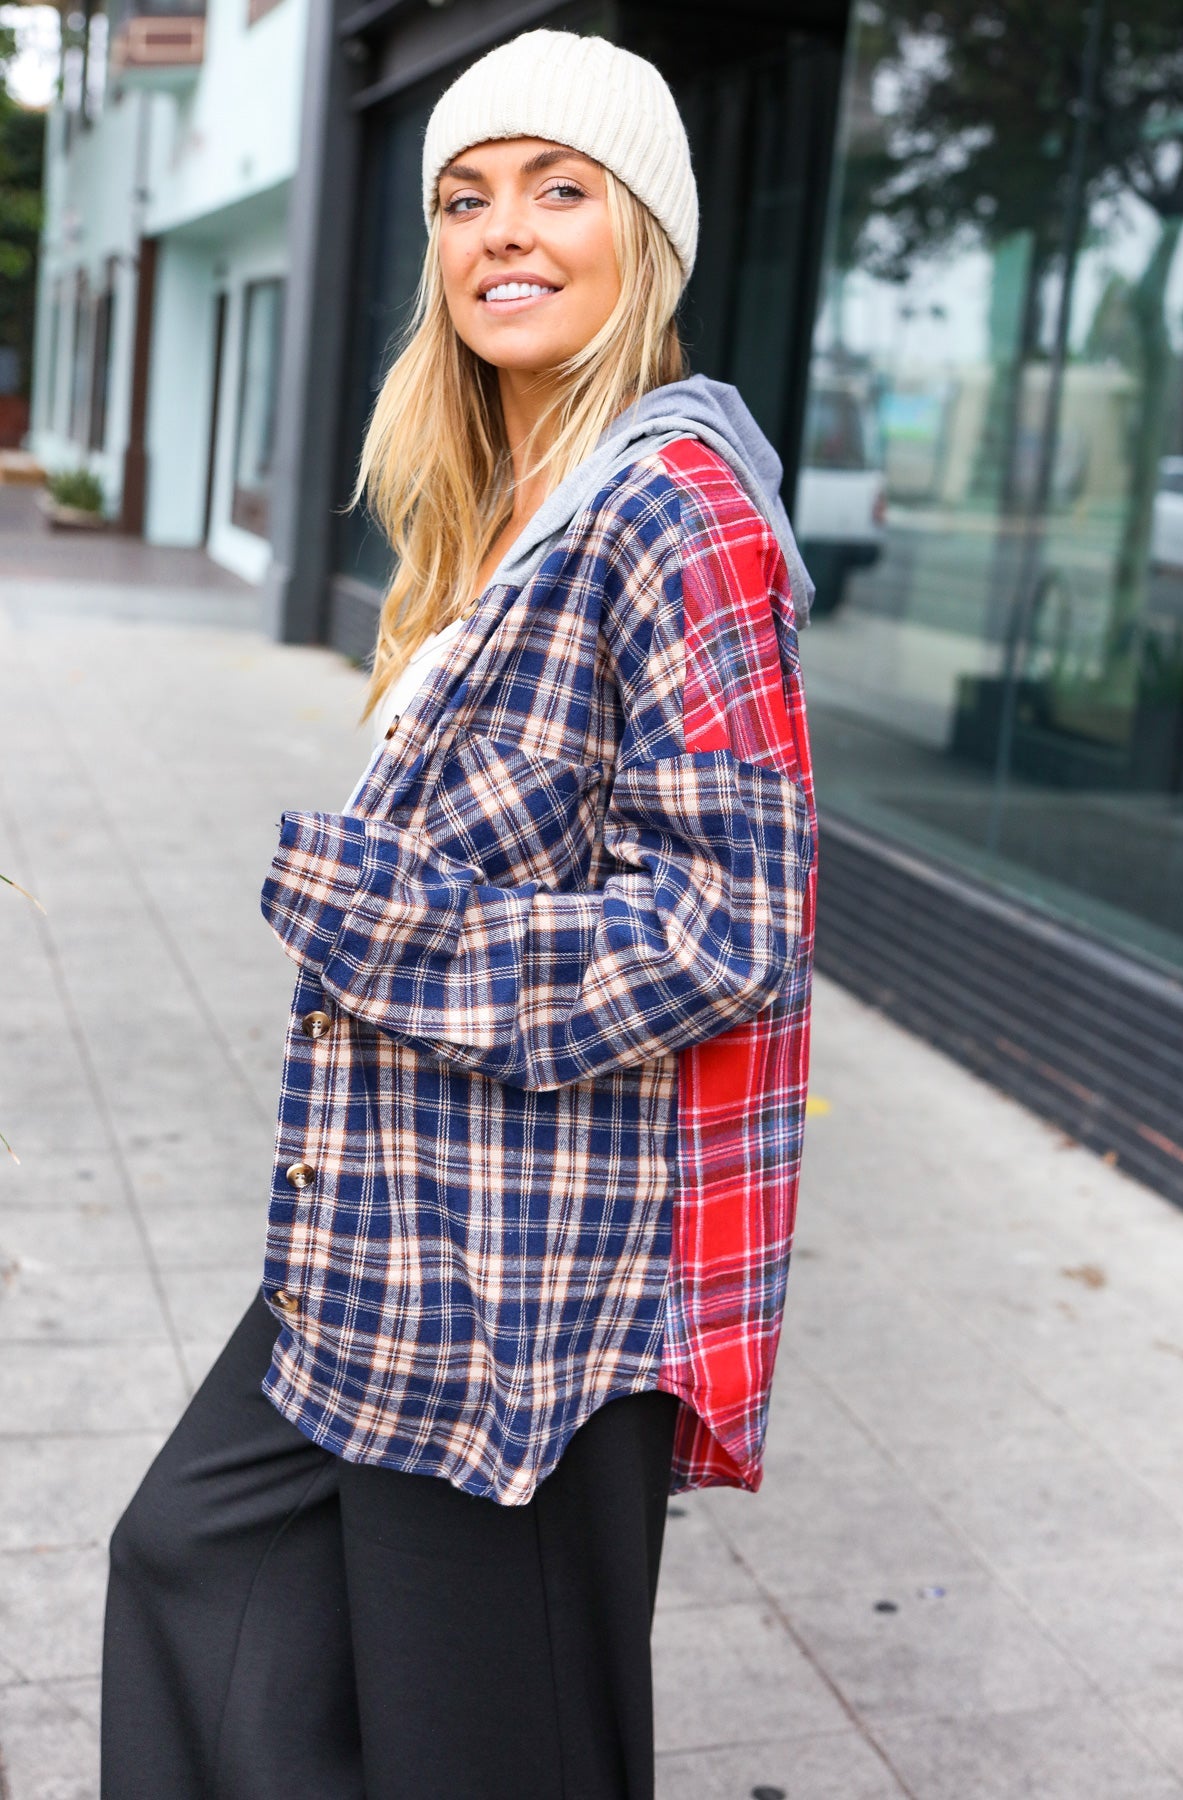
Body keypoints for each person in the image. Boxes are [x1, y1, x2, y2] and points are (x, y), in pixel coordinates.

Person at [100, 27, 818, 1800]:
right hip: (384, 1248)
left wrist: (380, 927)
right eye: (463, 196)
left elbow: (732, 925)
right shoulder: (516, 507)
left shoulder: (674, 514)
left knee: (486, 1752)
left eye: (559, 190)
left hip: (530, 1295)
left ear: (641, 232)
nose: (503, 230)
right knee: (196, 1569)